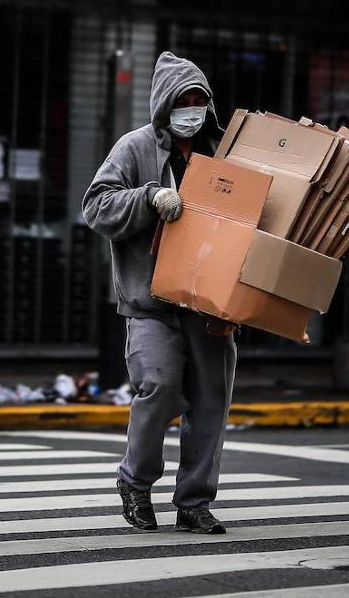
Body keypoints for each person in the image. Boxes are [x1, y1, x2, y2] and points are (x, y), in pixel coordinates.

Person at [82, 51, 237, 535]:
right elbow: (96, 206)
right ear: (163, 104)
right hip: (150, 303)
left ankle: (194, 502)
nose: (191, 108)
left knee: (211, 402)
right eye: (182, 100)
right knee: (159, 386)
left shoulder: (222, 155)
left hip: (208, 304)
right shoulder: (134, 148)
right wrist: (149, 197)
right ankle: (135, 481)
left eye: (199, 100)